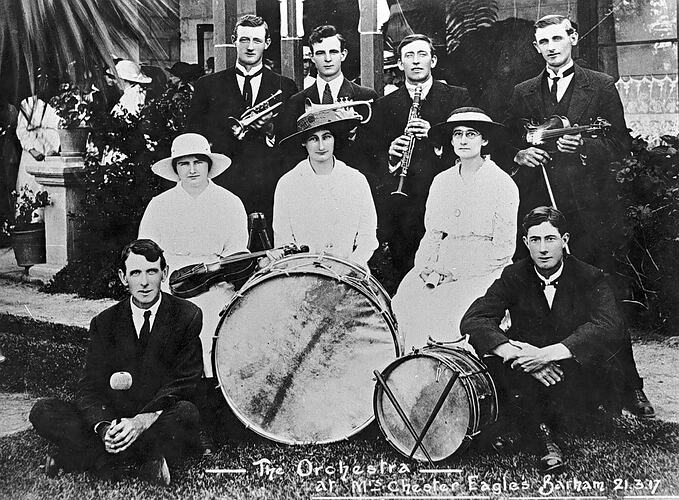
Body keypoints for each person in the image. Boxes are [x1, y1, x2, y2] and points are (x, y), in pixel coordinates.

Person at [504, 14, 653, 419]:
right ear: (536, 47)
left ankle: (629, 387)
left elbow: (620, 144)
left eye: (557, 38)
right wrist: (520, 154)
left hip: (588, 211)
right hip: (539, 207)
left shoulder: (600, 85)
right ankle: (547, 386)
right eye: (543, 41)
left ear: (572, 38)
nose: (551, 47)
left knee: (602, 295)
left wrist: (584, 148)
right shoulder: (522, 91)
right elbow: (506, 142)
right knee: (540, 295)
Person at [460, 207, 639, 473]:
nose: (543, 249)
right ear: (525, 243)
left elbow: (608, 325)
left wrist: (546, 355)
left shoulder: (590, 276)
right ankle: (542, 435)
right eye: (535, 240)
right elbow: (475, 318)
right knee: (497, 364)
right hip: (527, 370)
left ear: (564, 240)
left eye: (550, 239)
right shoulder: (514, 275)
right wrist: (514, 353)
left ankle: (538, 432)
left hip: (574, 371)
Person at [29, 239, 203, 485]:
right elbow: (89, 386)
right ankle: (140, 457)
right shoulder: (104, 322)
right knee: (43, 410)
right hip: (114, 416)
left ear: (164, 273)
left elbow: (185, 381)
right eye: (135, 273)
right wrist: (104, 428)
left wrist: (141, 421)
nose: (144, 282)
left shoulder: (187, 315)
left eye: (152, 271)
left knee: (186, 413)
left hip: (155, 416)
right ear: (123, 277)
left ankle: (86, 457)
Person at [138, 133, 248, 452]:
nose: (192, 169)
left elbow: (236, 255)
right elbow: (147, 254)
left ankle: (221, 419)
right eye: (184, 164)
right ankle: (179, 418)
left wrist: (215, 274)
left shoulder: (229, 202)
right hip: (172, 286)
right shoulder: (159, 206)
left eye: (198, 162)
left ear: (209, 165)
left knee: (215, 326)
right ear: (175, 168)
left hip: (217, 286)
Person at [392, 108, 518, 351]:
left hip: (484, 268)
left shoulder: (503, 183)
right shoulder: (442, 181)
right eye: (457, 134)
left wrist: (456, 272)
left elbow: (503, 248)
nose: (463, 140)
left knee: (450, 308)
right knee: (407, 301)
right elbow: (433, 234)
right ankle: (412, 367)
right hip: (442, 262)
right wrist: (425, 267)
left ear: (484, 140)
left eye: (471, 134)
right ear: (450, 141)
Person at [367, 34, 472, 281]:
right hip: (405, 209)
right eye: (409, 56)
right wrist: (392, 157)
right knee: (408, 275)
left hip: (451, 200)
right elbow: (372, 158)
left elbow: (471, 148)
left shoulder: (457, 97)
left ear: (433, 61)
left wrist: (436, 139)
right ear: (400, 64)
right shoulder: (384, 105)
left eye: (422, 54)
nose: (416, 61)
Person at [187, 14, 298, 224]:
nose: (250, 47)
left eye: (257, 40)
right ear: (233, 41)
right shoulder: (207, 85)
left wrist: (270, 130)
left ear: (267, 43)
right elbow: (193, 137)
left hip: (268, 187)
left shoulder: (286, 86)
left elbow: (292, 143)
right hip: (222, 185)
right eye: (244, 40)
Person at [270, 107, 378, 268]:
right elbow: (283, 240)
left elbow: (367, 238)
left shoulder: (356, 180)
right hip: (302, 272)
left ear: (334, 138)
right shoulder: (288, 184)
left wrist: (348, 267)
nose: (321, 146)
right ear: (304, 142)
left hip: (349, 272)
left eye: (326, 137)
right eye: (313, 139)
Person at [279, 25, 379, 172]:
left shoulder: (367, 96)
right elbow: (291, 152)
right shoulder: (296, 102)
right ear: (312, 57)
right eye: (320, 53)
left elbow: (375, 152)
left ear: (343, 54)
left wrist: (352, 132)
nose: (327, 59)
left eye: (333, 52)